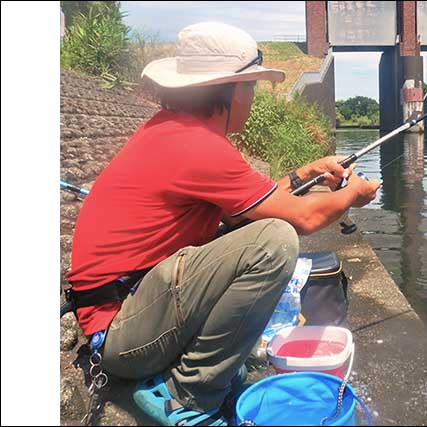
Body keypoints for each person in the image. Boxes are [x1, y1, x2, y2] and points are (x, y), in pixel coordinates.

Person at [66, 22, 380, 426]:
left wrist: (307, 174)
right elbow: (302, 218)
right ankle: (187, 395)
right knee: (275, 242)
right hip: (119, 335)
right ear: (231, 91)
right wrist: (356, 193)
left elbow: (252, 207)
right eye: (250, 88)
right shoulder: (197, 146)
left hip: (125, 315)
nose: (251, 98)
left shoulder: (173, 131)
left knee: (253, 232)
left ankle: (199, 369)